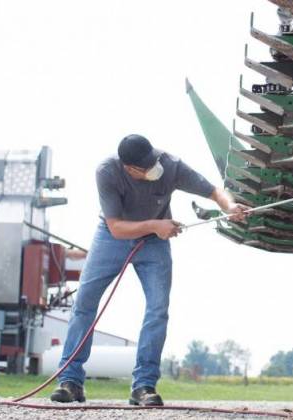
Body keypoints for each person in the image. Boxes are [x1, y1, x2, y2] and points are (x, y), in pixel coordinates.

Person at [50, 134, 247, 406]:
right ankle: (70, 381)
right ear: (129, 168)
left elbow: (213, 190)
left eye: (154, 161)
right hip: (112, 237)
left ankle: (143, 386)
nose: (156, 168)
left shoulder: (170, 166)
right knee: (84, 302)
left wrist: (230, 205)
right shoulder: (107, 172)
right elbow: (117, 227)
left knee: (157, 309)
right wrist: (156, 225)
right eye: (146, 167)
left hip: (154, 244)